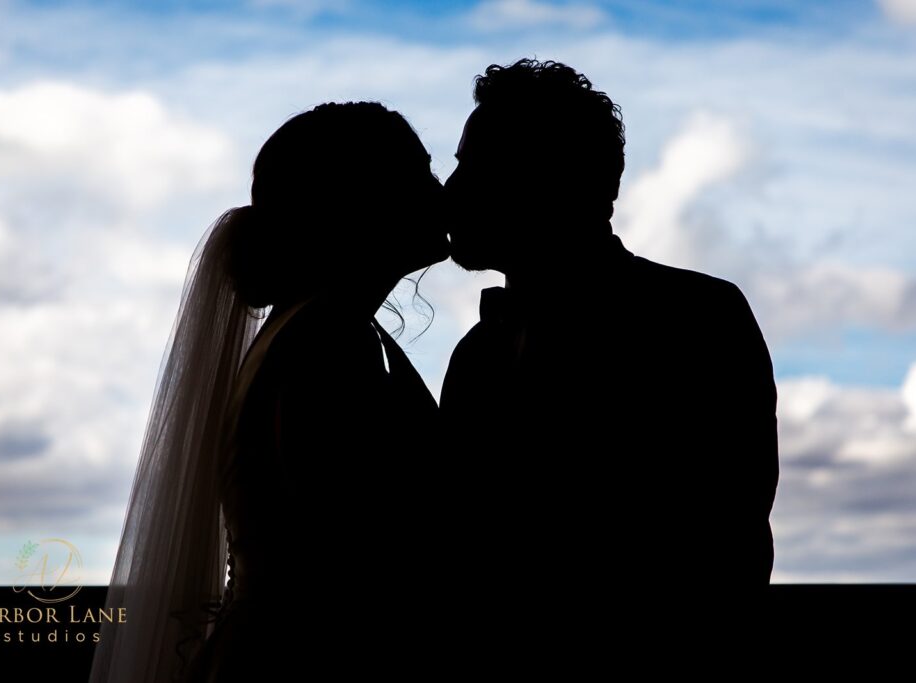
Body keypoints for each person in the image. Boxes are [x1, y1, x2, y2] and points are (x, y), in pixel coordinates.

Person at [89, 101, 451, 682]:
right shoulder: (328, 340)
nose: (443, 192)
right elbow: (355, 555)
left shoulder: (317, 327)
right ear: (358, 200)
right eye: (420, 174)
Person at [440, 59, 780, 632]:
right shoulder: (476, 353)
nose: (451, 190)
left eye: (476, 166)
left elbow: (727, 540)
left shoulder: (698, 319)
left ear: (549, 180)